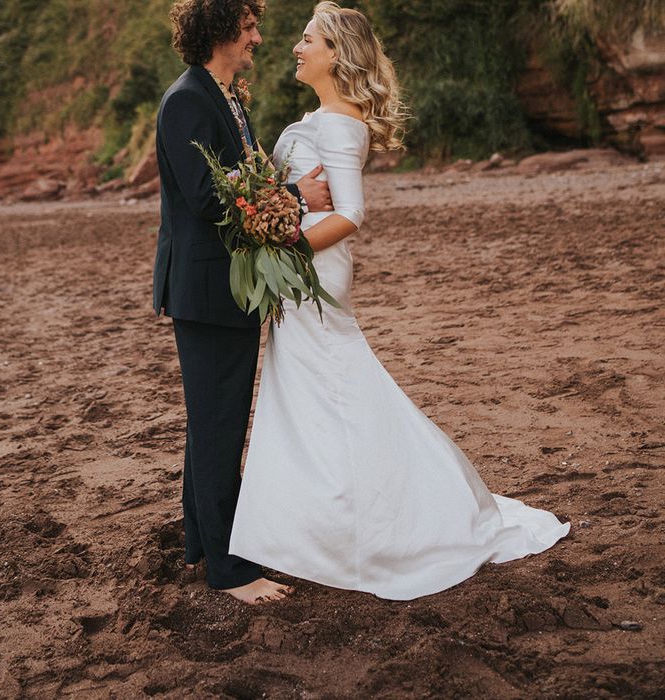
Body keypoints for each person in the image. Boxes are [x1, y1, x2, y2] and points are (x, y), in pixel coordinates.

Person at [228, 2, 570, 601]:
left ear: (336, 54)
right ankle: (316, 519)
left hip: (314, 271)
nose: (295, 47)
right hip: (298, 270)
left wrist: (287, 239)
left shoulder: (339, 124)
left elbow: (352, 213)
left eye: (307, 39)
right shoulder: (321, 118)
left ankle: (384, 522)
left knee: (333, 388)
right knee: (308, 395)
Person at [153, 0, 334, 604]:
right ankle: (229, 572)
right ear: (221, 30)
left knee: (213, 421)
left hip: (222, 285)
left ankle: (201, 543)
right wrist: (294, 193)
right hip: (206, 290)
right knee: (220, 424)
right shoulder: (187, 100)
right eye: (249, 26)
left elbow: (237, 178)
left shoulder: (226, 96)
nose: (259, 36)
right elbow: (211, 196)